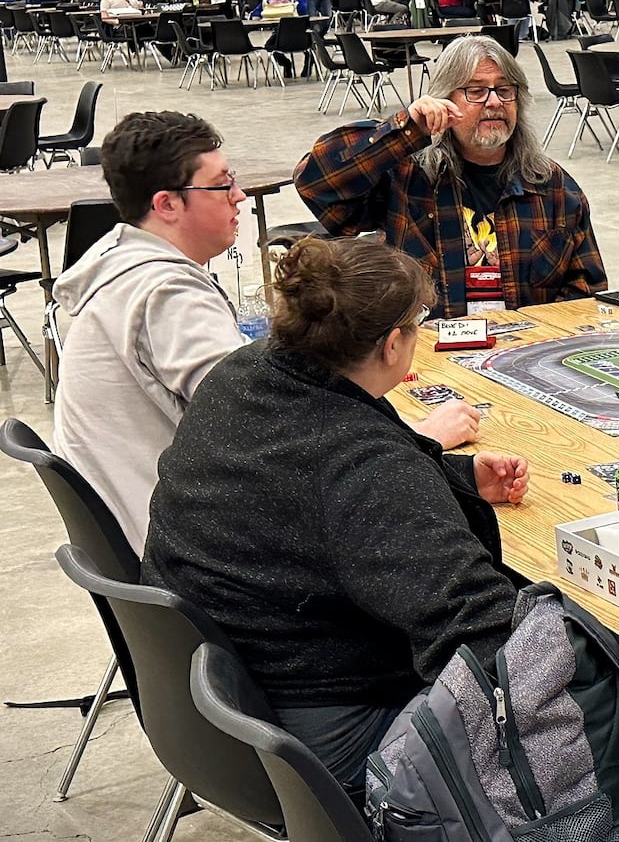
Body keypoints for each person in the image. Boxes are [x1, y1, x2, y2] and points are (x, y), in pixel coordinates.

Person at [142, 235, 523, 797]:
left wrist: (452, 480)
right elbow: (485, 635)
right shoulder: (363, 462)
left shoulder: (241, 375)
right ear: (394, 343)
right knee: (581, 655)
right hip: (321, 734)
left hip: (219, 700)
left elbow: (297, 491)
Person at [52, 112, 481, 554]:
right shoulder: (166, 294)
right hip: (190, 553)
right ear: (167, 204)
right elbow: (262, 425)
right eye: (222, 185)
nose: (238, 196)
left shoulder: (123, 266)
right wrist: (418, 439)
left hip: (161, 535)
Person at [296, 35, 608, 316]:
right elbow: (316, 183)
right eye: (476, 91)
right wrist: (406, 130)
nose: (495, 102)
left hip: (524, 356)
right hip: (430, 357)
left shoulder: (552, 186)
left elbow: (588, 292)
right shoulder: (407, 177)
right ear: (444, 100)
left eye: (504, 90)